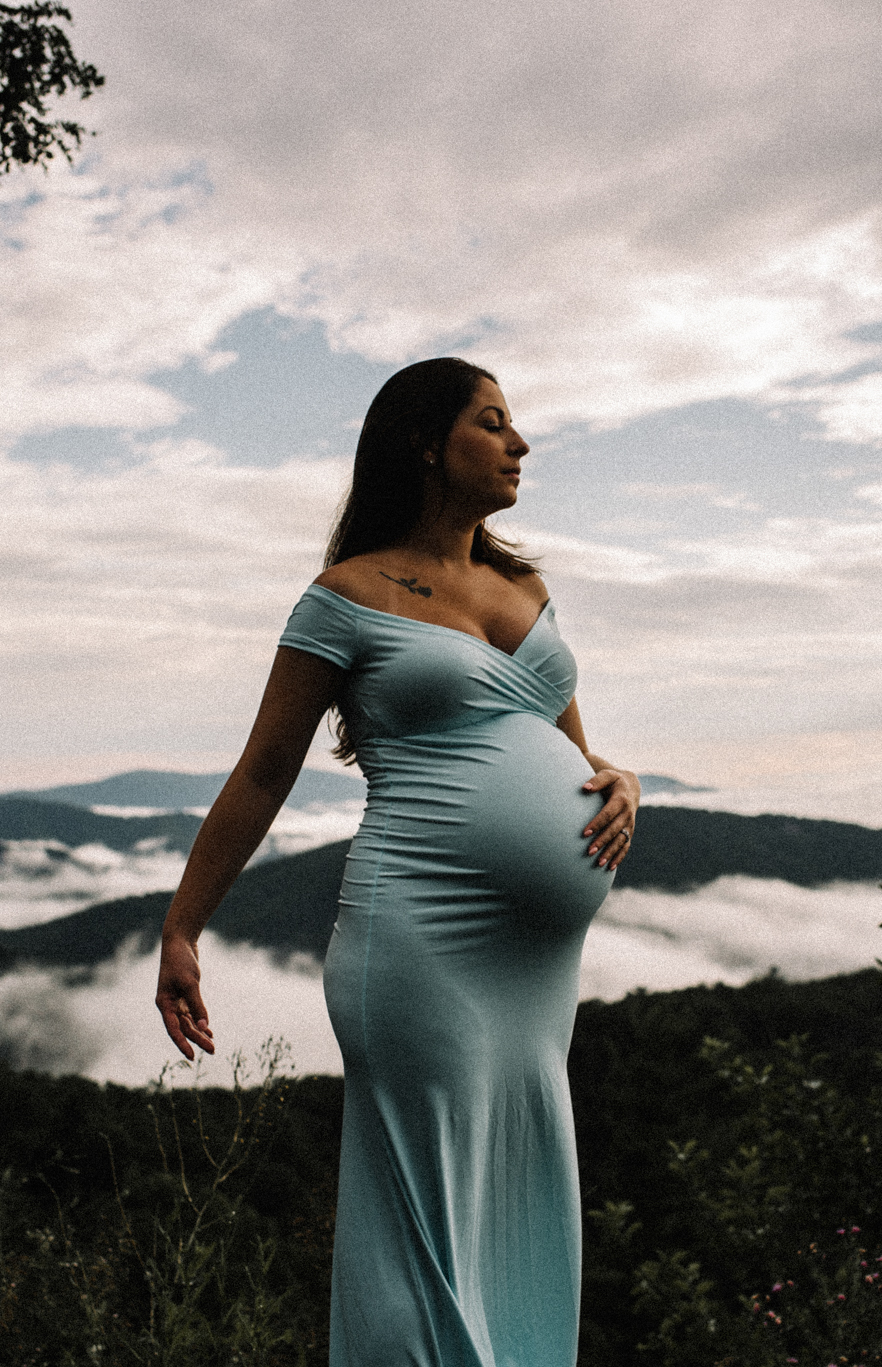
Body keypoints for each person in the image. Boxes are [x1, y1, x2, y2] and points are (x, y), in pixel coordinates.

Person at [155, 356, 639, 1366]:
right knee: (422, 1235)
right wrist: (182, 924)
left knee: (514, 1208)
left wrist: (617, 779)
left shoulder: (523, 587)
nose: (519, 442)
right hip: (419, 940)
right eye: (492, 422)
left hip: (531, 977)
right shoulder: (345, 597)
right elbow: (263, 771)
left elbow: (571, 749)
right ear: (426, 443)